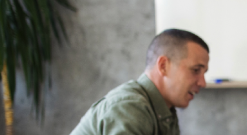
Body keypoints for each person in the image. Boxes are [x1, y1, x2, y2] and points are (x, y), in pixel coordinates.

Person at [70, 29, 210, 135]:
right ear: (163, 66)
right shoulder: (130, 106)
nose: (202, 83)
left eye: (204, 73)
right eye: (196, 70)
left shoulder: (166, 112)